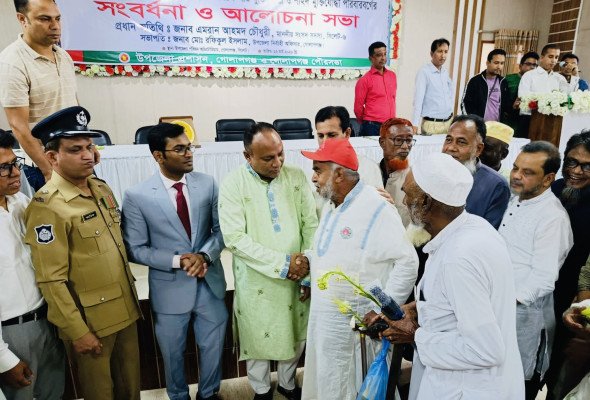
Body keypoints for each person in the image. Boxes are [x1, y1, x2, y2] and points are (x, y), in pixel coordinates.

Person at [380, 152, 524, 400]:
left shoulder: (458, 258)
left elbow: (485, 350)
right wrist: (417, 309)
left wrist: (414, 335)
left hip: (468, 388)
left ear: (425, 201)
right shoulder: (472, 227)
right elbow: (459, 301)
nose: (404, 201)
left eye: (408, 194)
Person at [23, 107, 141, 400]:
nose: (88, 155)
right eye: (75, 150)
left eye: (89, 147)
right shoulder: (48, 206)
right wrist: (77, 331)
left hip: (124, 310)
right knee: (100, 393)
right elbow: (51, 279)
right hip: (91, 322)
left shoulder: (100, 189)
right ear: (52, 157)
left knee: (131, 390)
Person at [301, 138, 418, 400]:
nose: (313, 177)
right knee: (326, 384)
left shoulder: (376, 207)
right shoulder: (332, 204)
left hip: (354, 331)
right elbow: (329, 252)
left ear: (339, 174)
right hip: (324, 324)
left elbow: (407, 261)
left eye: (318, 170)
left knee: (350, 388)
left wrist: (382, 310)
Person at [121, 123, 227, 400]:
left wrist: (204, 255)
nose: (188, 154)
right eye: (179, 149)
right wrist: (178, 261)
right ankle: (178, 396)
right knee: (172, 353)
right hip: (169, 288)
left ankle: (209, 394)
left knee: (213, 346)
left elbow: (221, 230)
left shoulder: (207, 184)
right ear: (158, 155)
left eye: (189, 147)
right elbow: (135, 249)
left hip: (209, 282)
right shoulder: (137, 195)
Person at [218, 122, 318, 400]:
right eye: (268, 158)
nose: (277, 163)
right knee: (258, 334)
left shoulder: (296, 176)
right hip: (257, 276)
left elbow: (310, 223)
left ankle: (287, 383)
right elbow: (234, 238)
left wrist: (307, 265)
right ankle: (261, 389)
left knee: (295, 330)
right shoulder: (233, 184)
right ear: (247, 156)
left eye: (280, 153)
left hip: (299, 273)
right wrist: (284, 264)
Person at [498, 141, 573, 400]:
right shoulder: (513, 199)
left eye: (528, 172)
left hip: (523, 319)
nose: (517, 175)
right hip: (496, 312)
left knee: (515, 387)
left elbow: (543, 278)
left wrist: (502, 301)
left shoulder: (553, 217)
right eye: (516, 168)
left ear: (548, 179)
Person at [0, 130, 65, 400]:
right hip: (11, 333)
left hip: (45, 320)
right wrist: (3, 359)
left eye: (15, 163)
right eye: (4, 168)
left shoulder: (21, 203)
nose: (15, 172)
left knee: (54, 394)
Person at [0, 0, 78, 190]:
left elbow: (73, 108)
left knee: (97, 207)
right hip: (45, 165)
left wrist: (87, 145)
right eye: (45, 19)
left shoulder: (63, 56)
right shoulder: (12, 62)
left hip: (76, 157)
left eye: (57, 18)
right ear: (22, 19)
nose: (55, 26)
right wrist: (48, 170)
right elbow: (18, 126)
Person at [546, 130, 590, 399]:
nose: (576, 171)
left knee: (561, 374)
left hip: (575, 301)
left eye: (587, 166)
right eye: (571, 161)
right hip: (542, 292)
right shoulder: (552, 189)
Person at [313, 106, 386, 214]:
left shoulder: (368, 168)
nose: (325, 142)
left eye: (331, 135)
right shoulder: (313, 169)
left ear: (347, 133)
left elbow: (377, 210)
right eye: (320, 136)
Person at [442, 114, 510, 229]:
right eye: (448, 140)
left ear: (478, 149)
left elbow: (486, 233)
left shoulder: (496, 186)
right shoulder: (433, 171)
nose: (451, 148)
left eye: (461, 142)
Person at [518, 44, 561, 138]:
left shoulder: (559, 78)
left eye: (556, 57)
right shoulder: (529, 75)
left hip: (551, 121)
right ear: (542, 57)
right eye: (550, 56)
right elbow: (523, 97)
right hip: (529, 119)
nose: (553, 60)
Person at [412, 38, 454, 135]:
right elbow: (418, 100)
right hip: (431, 124)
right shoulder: (424, 72)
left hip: (448, 123)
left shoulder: (445, 72)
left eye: (446, 52)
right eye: (440, 51)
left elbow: (450, 95)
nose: (443, 55)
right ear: (431, 54)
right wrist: (415, 124)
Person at [379, 118, 416, 227]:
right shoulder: (369, 173)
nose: (405, 146)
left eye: (409, 140)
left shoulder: (415, 181)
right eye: (398, 140)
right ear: (382, 142)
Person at [354, 42, 397, 136]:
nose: (383, 58)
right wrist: (367, 122)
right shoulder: (364, 80)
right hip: (372, 126)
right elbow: (358, 108)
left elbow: (393, 99)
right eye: (379, 55)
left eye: (385, 54)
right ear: (371, 58)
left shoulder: (392, 76)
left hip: (390, 126)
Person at [461, 49, 510, 122]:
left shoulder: (503, 82)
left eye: (502, 63)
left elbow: (506, 106)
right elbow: (464, 104)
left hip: (497, 126)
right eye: (496, 63)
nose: (499, 66)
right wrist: (473, 122)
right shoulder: (475, 81)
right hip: (479, 125)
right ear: (488, 63)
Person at [502, 51, 539, 134]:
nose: (532, 67)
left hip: (529, 121)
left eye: (535, 65)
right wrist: (512, 106)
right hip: (509, 121)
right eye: (528, 64)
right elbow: (501, 100)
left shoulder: (538, 82)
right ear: (520, 66)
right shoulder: (508, 79)